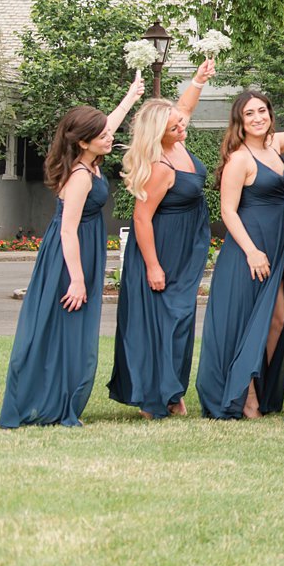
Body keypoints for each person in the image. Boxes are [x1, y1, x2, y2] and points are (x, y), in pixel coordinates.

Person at [0, 75, 144, 428]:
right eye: (102, 135)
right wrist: (77, 279)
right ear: (83, 143)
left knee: (72, 328)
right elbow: (67, 230)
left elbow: (106, 124)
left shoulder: (89, 158)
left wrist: (131, 94)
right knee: (63, 327)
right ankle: (51, 399)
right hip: (70, 255)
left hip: (83, 248)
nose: (110, 136)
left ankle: (60, 394)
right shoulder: (80, 176)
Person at [197, 71, 284, 419]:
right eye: (250, 114)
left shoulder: (274, 145)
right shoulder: (239, 159)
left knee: (277, 320)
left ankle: (257, 383)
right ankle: (244, 395)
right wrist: (250, 250)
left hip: (274, 248)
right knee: (246, 321)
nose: (258, 118)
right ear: (239, 121)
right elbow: (227, 212)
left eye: (262, 111)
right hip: (249, 250)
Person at [107, 60, 216, 418]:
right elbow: (141, 218)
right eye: (174, 126)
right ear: (160, 133)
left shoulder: (178, 141)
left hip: (185, 248)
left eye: (180, 122)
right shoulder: (158, 167)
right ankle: (157, 395)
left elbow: (182, 109)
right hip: (162, 248)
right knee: (163, 321)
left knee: (182, 320)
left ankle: (171, 390)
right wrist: (153, 266)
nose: (182, 126)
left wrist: (198, 80)